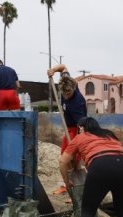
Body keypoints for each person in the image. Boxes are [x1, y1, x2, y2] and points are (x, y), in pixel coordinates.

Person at [47, 64, 87, 194]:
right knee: (70, 159)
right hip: (68, 128)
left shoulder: (77, 103)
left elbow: (82, 125)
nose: (66, 95)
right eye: (63, 92)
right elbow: (63, 67)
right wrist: (53, 70)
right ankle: (71, 184)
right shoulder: (66, 81)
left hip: (77, 130)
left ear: (74, 88)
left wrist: (79, 141)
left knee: (68, 159)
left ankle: (73, 187)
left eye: (68, 92)